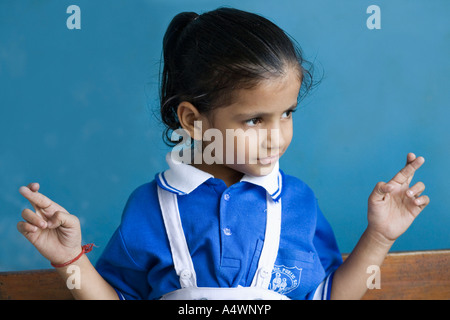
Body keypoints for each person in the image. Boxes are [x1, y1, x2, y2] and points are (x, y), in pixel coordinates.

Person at [17, 7, 429, 300]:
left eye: (287, 114)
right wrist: (69, 259)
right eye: (255, 120)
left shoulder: (298, 204)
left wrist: (379, 236)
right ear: (193, 121)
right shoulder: (149, 207)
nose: (277, 137)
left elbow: (329, 295)